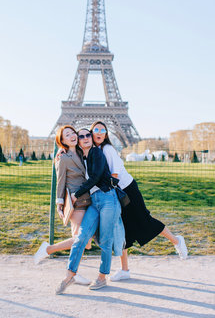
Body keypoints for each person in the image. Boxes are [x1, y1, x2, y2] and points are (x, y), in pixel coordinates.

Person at [90, 121, 188, 282]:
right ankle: (124, 269)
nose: (99, 132)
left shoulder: (107, 149)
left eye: (103, 130)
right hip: (115, 192)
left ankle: (177, 240)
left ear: (106, 134)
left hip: (126, 189)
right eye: (96, 130)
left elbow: (114, 174)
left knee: (144, 219)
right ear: (91, 132)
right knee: (123, 229)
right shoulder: (96, 150)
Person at [55, 128, 125, 294]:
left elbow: (94, 178)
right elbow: (67, 161)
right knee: (81, 237)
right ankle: (69, 275)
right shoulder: (80, 156)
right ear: (77, 140)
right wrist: (61, 150)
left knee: (106, 240)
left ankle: (102, 277)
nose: (85, 138)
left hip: (108, 199)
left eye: (88, 135)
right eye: (81, 136)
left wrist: (75, 195)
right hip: (94, 201)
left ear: (92, 139)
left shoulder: (96, 153)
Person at [34, 125, 92, 285]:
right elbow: (60, 182)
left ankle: (68, 267)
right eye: (67, 135)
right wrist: (60, 204)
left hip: (88, 200)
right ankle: (51, 253)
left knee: (84, 242)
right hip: (76, 202)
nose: (73, 136)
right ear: (62, 141)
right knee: (81, 240)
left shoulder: (81, 152)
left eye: (73, 132)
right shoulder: (63, 158)